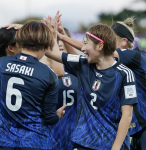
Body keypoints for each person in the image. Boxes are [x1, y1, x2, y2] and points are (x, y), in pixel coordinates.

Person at [43, 16, 138, 150]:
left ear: (100, 45)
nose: (82, 48)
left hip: (109, 144)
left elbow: (127, 116)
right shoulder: (82, 64)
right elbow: (51, 53)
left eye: (86, 43)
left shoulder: (124, 74)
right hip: (82, 143)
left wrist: (115, 148)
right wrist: (43, 33)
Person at [0, 21, 66, 150]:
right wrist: (58, 115)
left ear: (20, 41)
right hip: (35, 142)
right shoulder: (49, 74)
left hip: (4, 141)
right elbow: (50, 118)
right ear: (44, 46)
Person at [111, 17, 146, 150]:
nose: (105, 43)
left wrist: (63, 38)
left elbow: (99, 53)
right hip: (137, 130)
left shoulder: (135, 56)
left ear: (124, 42)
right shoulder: (119, 64)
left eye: (110, 39)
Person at [50, 26, 78, 150]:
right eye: (56, 42)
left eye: (62, 41)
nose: (60, 45)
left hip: (76, 130)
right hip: (52, 130)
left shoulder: (80, 70)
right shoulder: (44, 69)